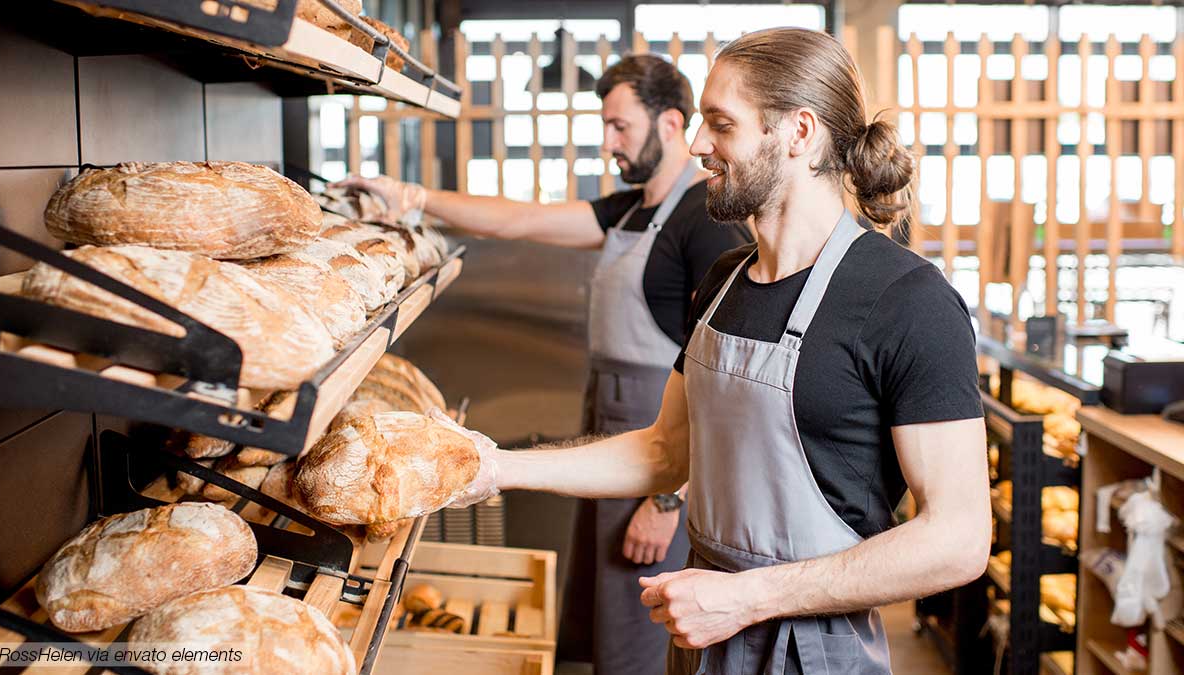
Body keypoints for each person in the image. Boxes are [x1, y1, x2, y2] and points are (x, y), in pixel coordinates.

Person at [447, 27, 992, 674]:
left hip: (811, 653)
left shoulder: (908, 300)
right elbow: (663, 451)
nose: (699, 145)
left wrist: (747, 597)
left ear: (798, 131)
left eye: (720, 124)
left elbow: (959, 538)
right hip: (703, 633)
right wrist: (495, 467)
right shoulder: (725, 280)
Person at [339, 55, 751, 675]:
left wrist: (669, 502)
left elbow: (728, 386)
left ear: (669, 124)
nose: (608, 142)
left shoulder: (705, 225)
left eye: (620, 126)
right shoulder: (632, 210)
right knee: (608, 622)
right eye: (605, 125)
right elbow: (520, 219)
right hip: (612, 440)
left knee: (645, 629)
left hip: (661, 456)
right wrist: (413, 198)